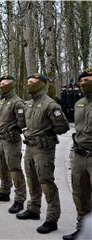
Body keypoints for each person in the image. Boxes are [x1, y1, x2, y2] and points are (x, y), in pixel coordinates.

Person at [16, 73, 69, 234]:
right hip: (30, 148)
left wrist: (46, 134)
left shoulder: (50, 105)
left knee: (46, 182)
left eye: (32, 82)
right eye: (28, 81)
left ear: (41, 84)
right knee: (31, 179)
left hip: (43, 149)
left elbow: (63, 127)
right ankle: (33, 209)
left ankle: (52, 219)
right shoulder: (29, 103)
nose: (29, 84)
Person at [0, 75, 27, 215]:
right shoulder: (2, 100)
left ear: (11, 85)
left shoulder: (17, 102)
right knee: (2, 166)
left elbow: (23, 122)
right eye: (1, 83)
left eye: (4, 83)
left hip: (11, 141)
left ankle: (19, 199)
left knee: (14, 169)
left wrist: (13, 129)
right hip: (1, 139)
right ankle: (4, 191)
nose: (1, 85)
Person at [63, 68, 92, 240]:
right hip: (80, 156)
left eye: (88, 79)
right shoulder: (79, 103)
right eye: (82, 81)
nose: (83, 83)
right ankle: (83, 230)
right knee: (79, 194)